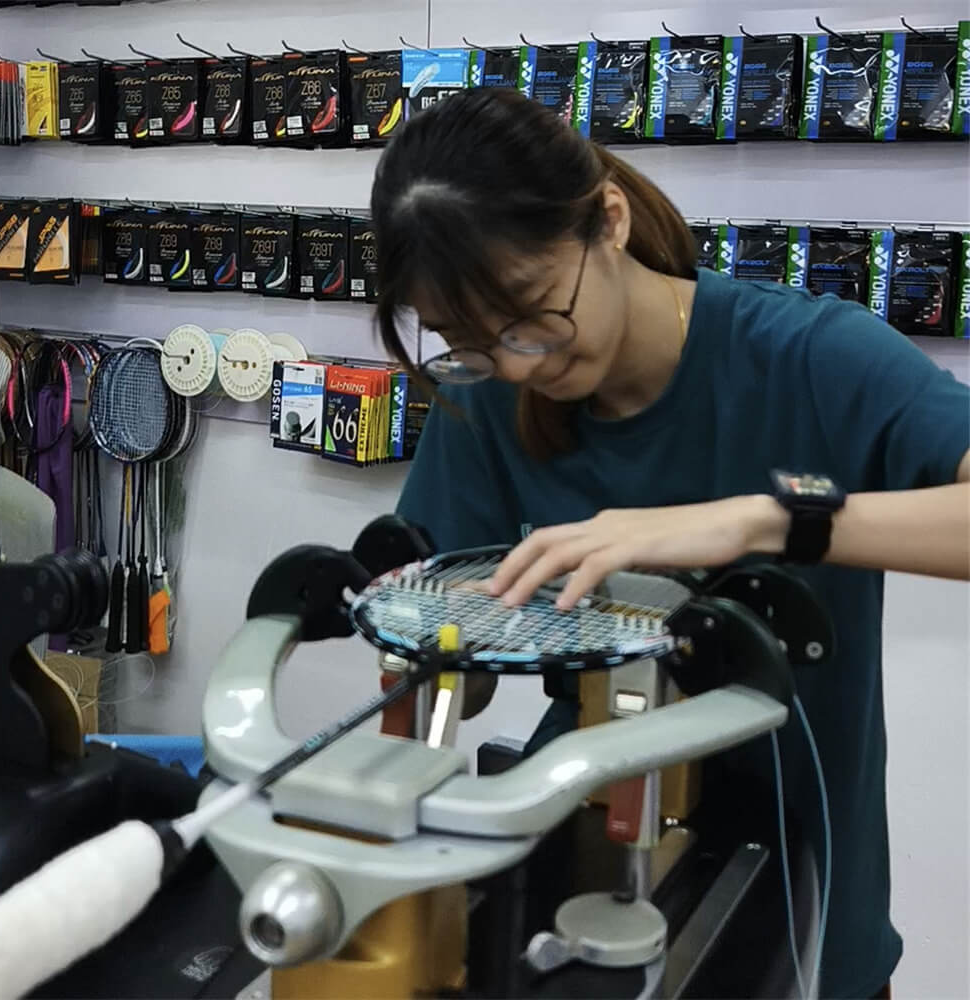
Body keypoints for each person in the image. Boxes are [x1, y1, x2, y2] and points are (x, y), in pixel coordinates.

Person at [370, 86, 970, 999]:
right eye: (471, 341)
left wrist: (764, 520)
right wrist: (432, 645)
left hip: (802, 911)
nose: (520, 364)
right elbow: (461, 669)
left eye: (532, 311)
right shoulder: (489, 394)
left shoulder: (811, 356)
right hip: (581, 886)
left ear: (608, 220)